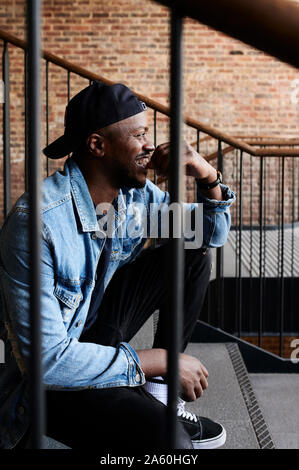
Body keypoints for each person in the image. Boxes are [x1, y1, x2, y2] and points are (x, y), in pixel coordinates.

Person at [0, 81, 235, 450]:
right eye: (140, 135)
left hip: (93, 330)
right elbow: (48, 363)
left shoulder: (132, 197)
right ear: (97, 145)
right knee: (170, 443)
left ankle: (157, 397)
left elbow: (207, 232)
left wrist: (206, 175)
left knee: (191, 257)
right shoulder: (38, 225)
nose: (149, 146)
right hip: (50, 381)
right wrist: (159, 360)